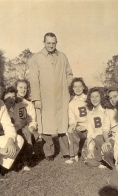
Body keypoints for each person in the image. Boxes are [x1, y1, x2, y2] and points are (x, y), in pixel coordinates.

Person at [29, 32, 73, 161]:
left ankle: (66, 151)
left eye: (53, 43)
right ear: (44, 43)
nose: (51, 45)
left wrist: (65, 85)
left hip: (61, 96)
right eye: (48, 43)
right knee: (46, 126)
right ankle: (49, 153)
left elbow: (69, 74)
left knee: (62, 124)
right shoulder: (36, 58)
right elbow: (33, 80)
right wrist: (36, 98)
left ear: (56, 43)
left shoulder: (62, 56)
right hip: (45, 97)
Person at [14, 79, 38, 171]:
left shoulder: (28, 104)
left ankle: (25, 162)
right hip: (10, 127)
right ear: (16, 88)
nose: (23, 90)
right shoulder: (10, 101)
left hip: (23, 127)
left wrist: (32, 126)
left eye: (25, 88)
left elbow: (32, 120)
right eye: (20, 87)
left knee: (27, 132)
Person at [65, 78, 88, 164]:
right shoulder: (71, 103)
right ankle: (73, 156)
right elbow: (72, 118)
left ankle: (86, 154)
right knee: (71, 130)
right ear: (73, 88)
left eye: (80, 86)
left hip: (89, 127)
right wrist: (72, 125)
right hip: (78, 127)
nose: (77, 89)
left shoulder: (88, 100)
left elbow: (92, 116)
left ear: (83, 87)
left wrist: (86, 126)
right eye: (75, 87)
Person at [84, 87, 108, 168]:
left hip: (106, 139)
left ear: (101, 97)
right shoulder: (90, 113)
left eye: (97, 96)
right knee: (87, 156)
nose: (94, 99)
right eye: (92, 97)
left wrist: (95, 135)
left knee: (98, 138)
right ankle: (97, 157)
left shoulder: (106, 111)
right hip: (95, 141)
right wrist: (90, 149)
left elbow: (108, 130)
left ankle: (103, 158)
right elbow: (90, 133)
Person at [101, 87, 118, 169]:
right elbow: (105, 128)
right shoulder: (109, 111)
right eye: (110, 98)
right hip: (115, 139)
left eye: (115, 96)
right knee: (106, 149)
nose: (113, 100)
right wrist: (107, 141)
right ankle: (115, 167)